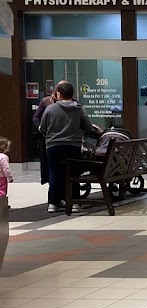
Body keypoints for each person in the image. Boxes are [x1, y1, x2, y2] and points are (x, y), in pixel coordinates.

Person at [38, 82, 91, 213]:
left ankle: (53, 203)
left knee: (54, 173)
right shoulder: (79, 109)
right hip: (73, 145)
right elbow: (88, 127)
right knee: (74, 173)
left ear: (59, 94)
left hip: (53, 146)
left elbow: (42, 128)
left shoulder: (50, 109)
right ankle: (75, 203)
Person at [31, 81, 68, 185]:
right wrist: (40, 127)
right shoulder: (47, 102)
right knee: (51, 166)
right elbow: (36, 117)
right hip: (49, 137)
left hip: (65, 137)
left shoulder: (72, 102)